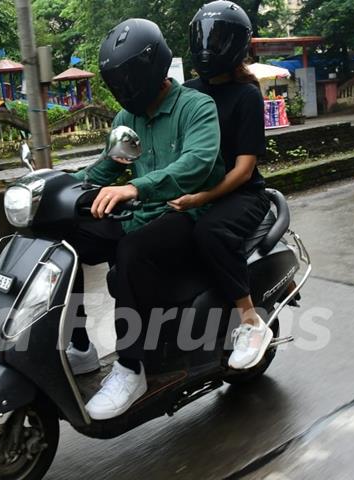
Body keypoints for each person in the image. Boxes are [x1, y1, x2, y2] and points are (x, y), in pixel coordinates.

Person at [65, 18, 224, 420]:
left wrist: (136, 188)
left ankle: (132, 367)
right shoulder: (126, 121)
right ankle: (79, 344)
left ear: (149, 71)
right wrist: (55, 187)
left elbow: (197, 164)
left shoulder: (196, 107)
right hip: (142, 214)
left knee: (130, 251)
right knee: (68, 238)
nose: (123, 90)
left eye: (126, 80)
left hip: (187, 210)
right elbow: (102, 171)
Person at [168, 1, 272, 370]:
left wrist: (201, 198)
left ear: (237, 44)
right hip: (196, 192)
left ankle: (250, 321)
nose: (209, 46)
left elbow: (244, 169)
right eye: (204, 37)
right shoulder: (186, 92)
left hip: (243, 194)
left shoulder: (246, 95)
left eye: (219, 38)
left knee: (211, 232)